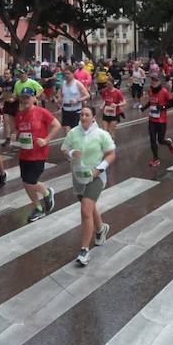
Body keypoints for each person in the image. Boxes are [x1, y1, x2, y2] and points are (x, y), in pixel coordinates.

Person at [60, 107, 117, 267]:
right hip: (78, 177)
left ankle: (84, 250)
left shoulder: (101, 135)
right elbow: (64, 149)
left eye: (87, 115)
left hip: (95, 177)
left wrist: (99, 169)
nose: (83, 117)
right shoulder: (73, 133)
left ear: (93, 118)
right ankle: (100, 228)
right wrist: (71, 154)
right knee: (90, 208)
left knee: (85, 210)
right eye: (82, 114)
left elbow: (111, 153)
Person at [13, 89, 60, 223]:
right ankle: (38, 208)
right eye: (23, 98)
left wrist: (46, 140)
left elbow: (57, 125)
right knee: (26, 183)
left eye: (28, 97)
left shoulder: (41, 112)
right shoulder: (20, 115)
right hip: (24, 153)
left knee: (31, 181)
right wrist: (14, 134)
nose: (25, 100)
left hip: (38, 153)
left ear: (34, 98)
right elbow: (18, 129)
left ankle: (47, 192)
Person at [140, 75, 173, 168]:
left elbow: (172, 103)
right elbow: (151, 101)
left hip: (161, 120)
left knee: (160, 140)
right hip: (152, 119)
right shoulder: (151, 90)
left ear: (159, 82)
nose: (153, 82)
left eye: (155, 80)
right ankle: (156, 159)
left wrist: (163, 107)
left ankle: (169, 143)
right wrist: (144, 108)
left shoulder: (164, 91)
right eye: (152, 80)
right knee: (152, 139)